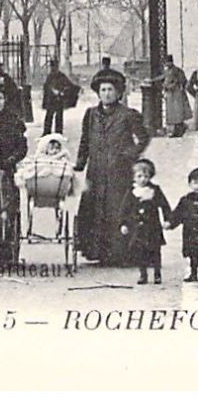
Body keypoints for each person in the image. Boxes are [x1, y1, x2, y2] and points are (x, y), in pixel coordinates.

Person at [73, 67, 150, 265]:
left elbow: (143, 138)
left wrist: (129, 155)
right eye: (103, 90)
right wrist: (80, 163)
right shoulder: (91, 115)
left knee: (118, 209)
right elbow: (85, 140)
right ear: (98, 93)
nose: (106, 94)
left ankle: (120, 253)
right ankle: (98, 251)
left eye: (110, 90)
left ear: (118, 93)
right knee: (96, 208)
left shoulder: (128, 115)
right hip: (96, 170)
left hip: (119, 171)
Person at [117, 157, 172, 285]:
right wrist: (123, 223)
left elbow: (164, 205)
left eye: (146, 176)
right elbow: (124, 209)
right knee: (140, 251)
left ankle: (157, 274)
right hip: (137, 227)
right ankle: (143, 275)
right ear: (134, 177)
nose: (143, 179)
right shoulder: (131, 192)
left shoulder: (154, 190)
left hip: (152, 226)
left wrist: (168, 220)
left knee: (155, 251)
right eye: (139, 176)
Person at [41, 59, 77, 136]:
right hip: (51, 100)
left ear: (57, 67)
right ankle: (47, 132)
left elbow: (69, 86)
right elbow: (46, 88)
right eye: (52, 67)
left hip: (58, 99)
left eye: (54, 67)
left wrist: (61, 92)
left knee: (59, 116)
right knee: (49, 116)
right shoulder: (50, 76)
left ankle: (58, 132)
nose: (53, 69)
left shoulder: (61, 76)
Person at [157, 56, 190, 137]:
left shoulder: (177, 71)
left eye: (168, 62)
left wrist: (174, 85)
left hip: (177, 94)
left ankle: (180, 130)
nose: (167, 64)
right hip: (170, 95)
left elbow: (183, 81)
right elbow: (162, 78)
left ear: (171, 62)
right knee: (173, 114)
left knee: (178, 113)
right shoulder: (167, 71)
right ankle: (176, 130)